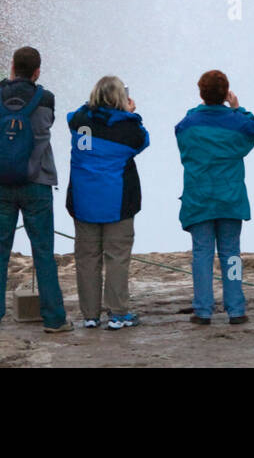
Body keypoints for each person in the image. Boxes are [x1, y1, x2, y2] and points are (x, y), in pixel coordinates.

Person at [0, 46, 71, 333]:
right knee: (44, 252)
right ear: (37, 71)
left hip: (1, 182)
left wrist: (7, 83)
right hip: (37, 183)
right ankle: (55, 319)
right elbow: (48, 122)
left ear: (12, 67)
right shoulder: (46, 99)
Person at [175, 71, 254, 325]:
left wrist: (202, 107)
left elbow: (180, 134)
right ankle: (236, 308)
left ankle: (203, 309)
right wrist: (238, 108)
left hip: (199, 196)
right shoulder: (237, 122)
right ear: (226, 93)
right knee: (231, 253)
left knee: (201, 254)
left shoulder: (189, 123)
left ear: (201, 93)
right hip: (230, 197)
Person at [66, 75, 150, 329]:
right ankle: (118, 312)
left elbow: (74, 115)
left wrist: (96, 106)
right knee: (117, 257)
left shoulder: (80, 121)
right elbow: (142, 141)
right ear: (120, 98)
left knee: (87, 258)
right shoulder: (128, 128)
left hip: (83, 200)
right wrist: (131, 113)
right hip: (117, 202)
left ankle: (90, 315)